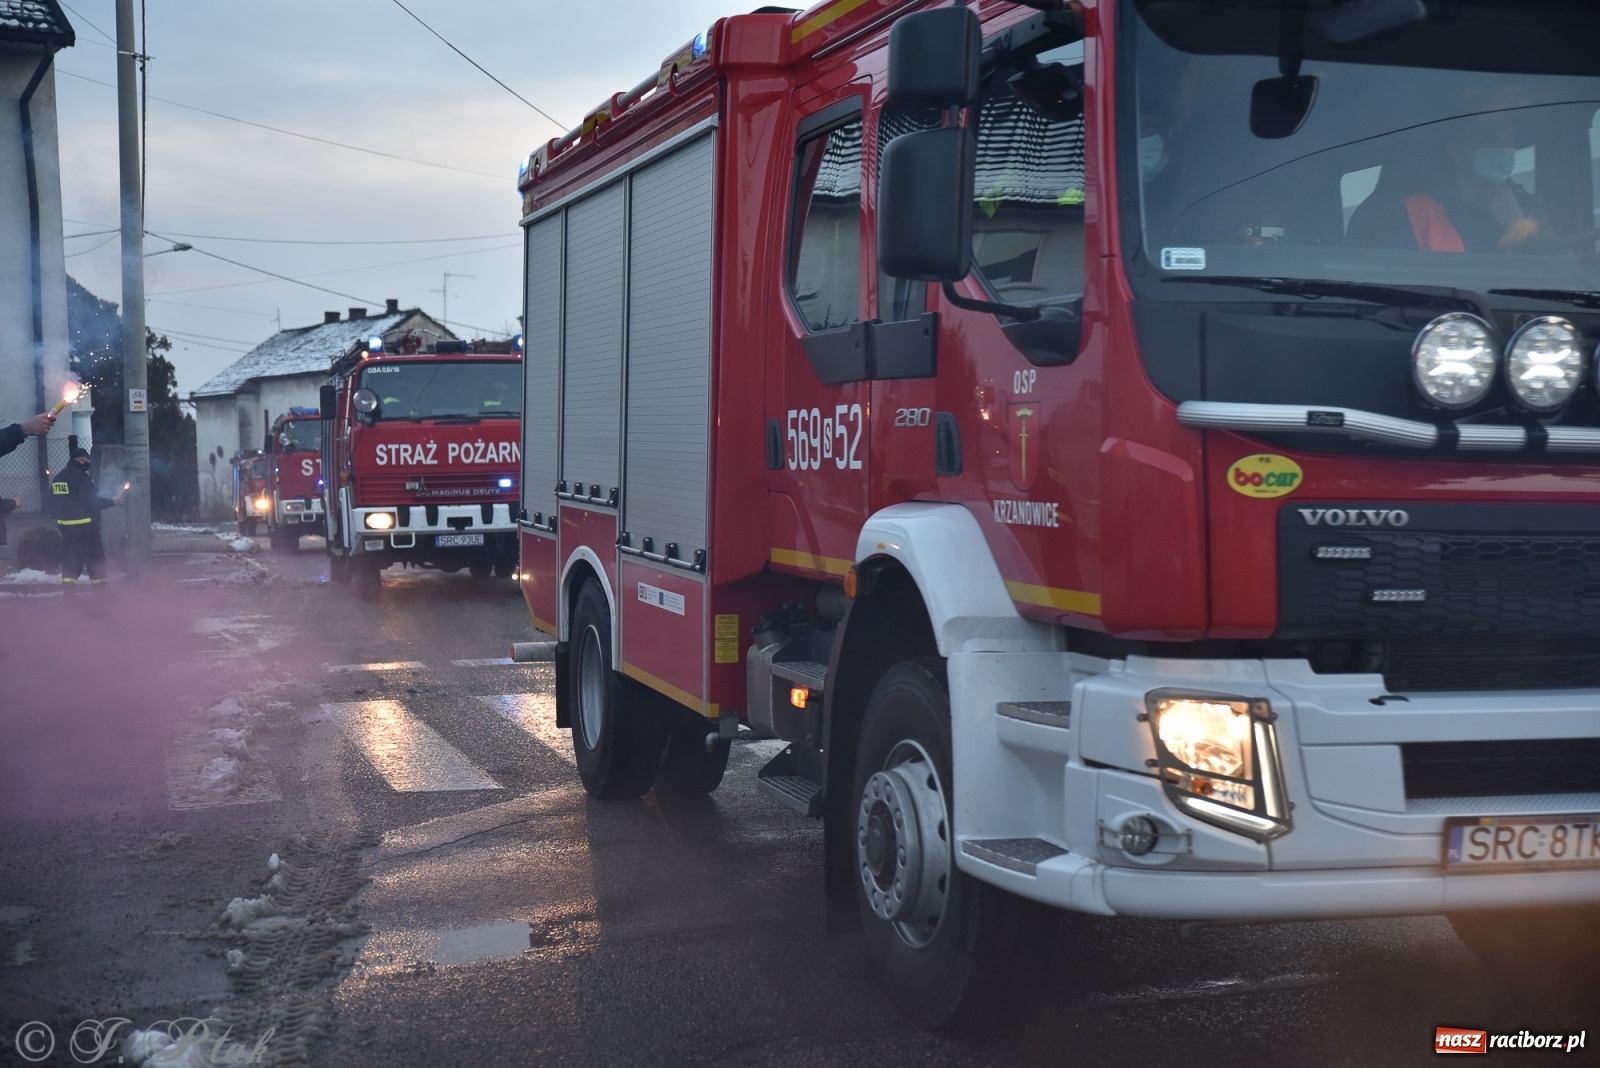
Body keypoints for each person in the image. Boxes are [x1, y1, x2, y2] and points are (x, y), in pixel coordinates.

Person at [1348, 112, 1549, 254]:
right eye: (1489, 140)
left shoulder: (1527, 208)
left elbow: (1562, 268)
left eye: (1509, 140)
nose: (1504, 149)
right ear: (1456, 151)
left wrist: (1517, 224)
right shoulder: (1406, 213)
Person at [49, 446, 122, 586]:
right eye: (87, 459)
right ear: (82, 460)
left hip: (65, 527)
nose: (88, 462)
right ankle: (100, 593)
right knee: (95, 558)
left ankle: (69, 595)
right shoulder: (82, 478)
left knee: (71, 557)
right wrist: (112, 501)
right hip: (86, 526)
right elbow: (92, 501)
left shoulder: (58, 478)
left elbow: (50, 501)